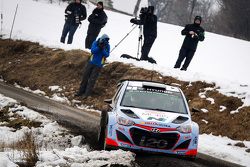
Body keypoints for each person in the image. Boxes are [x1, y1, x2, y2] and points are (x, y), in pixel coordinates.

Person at [75, 34, 110, 98]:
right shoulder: (96, 42)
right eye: (105, 40)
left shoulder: (107, 45)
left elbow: (107, 55)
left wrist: (102, 49)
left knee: (92, 80)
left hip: (98, 65)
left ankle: (87, 94)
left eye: (107, 40)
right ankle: (80, 91)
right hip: (91, 62)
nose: (106, 41)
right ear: (102, 38)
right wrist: (99, 47)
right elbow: (93, 51)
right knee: (85, 77)